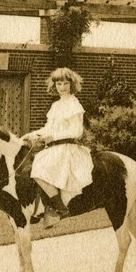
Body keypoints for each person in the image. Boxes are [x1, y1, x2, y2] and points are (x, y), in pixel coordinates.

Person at [22, 67, 93, 227]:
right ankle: (41, 208)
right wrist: (31, 135)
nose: (62, 87)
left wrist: (52, 137)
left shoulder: (74, 104)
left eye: (66, 83)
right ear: (54, 85)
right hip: (54, 148)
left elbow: (77, 131)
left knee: (39, 170)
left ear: (72, 84)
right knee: (30, 165)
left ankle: (60, 208)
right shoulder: (56, 105)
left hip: (67, 147)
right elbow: (48, 128)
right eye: (59, 84)